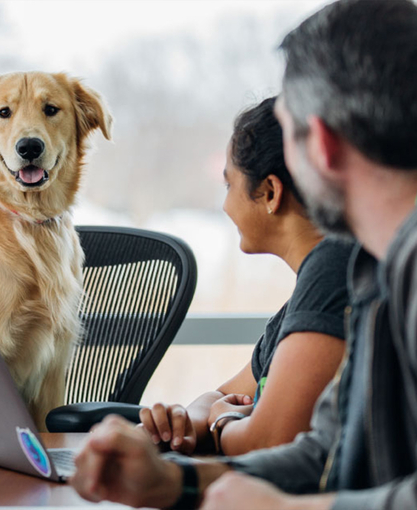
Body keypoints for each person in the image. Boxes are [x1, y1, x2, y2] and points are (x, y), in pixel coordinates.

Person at [70, 0, 417, 509]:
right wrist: (176, 484)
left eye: (288, 129)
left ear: (320, 142)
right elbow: (328, 453)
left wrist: (282, 506)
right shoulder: (373, 268)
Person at [139, 97, 352, 457]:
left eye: (229, 185)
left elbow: (266, 443)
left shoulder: (332, 270)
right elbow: (221, 395)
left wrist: (223, 423)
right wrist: (187, 421)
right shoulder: (301, 300)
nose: (225, 206)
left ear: (270, 192)